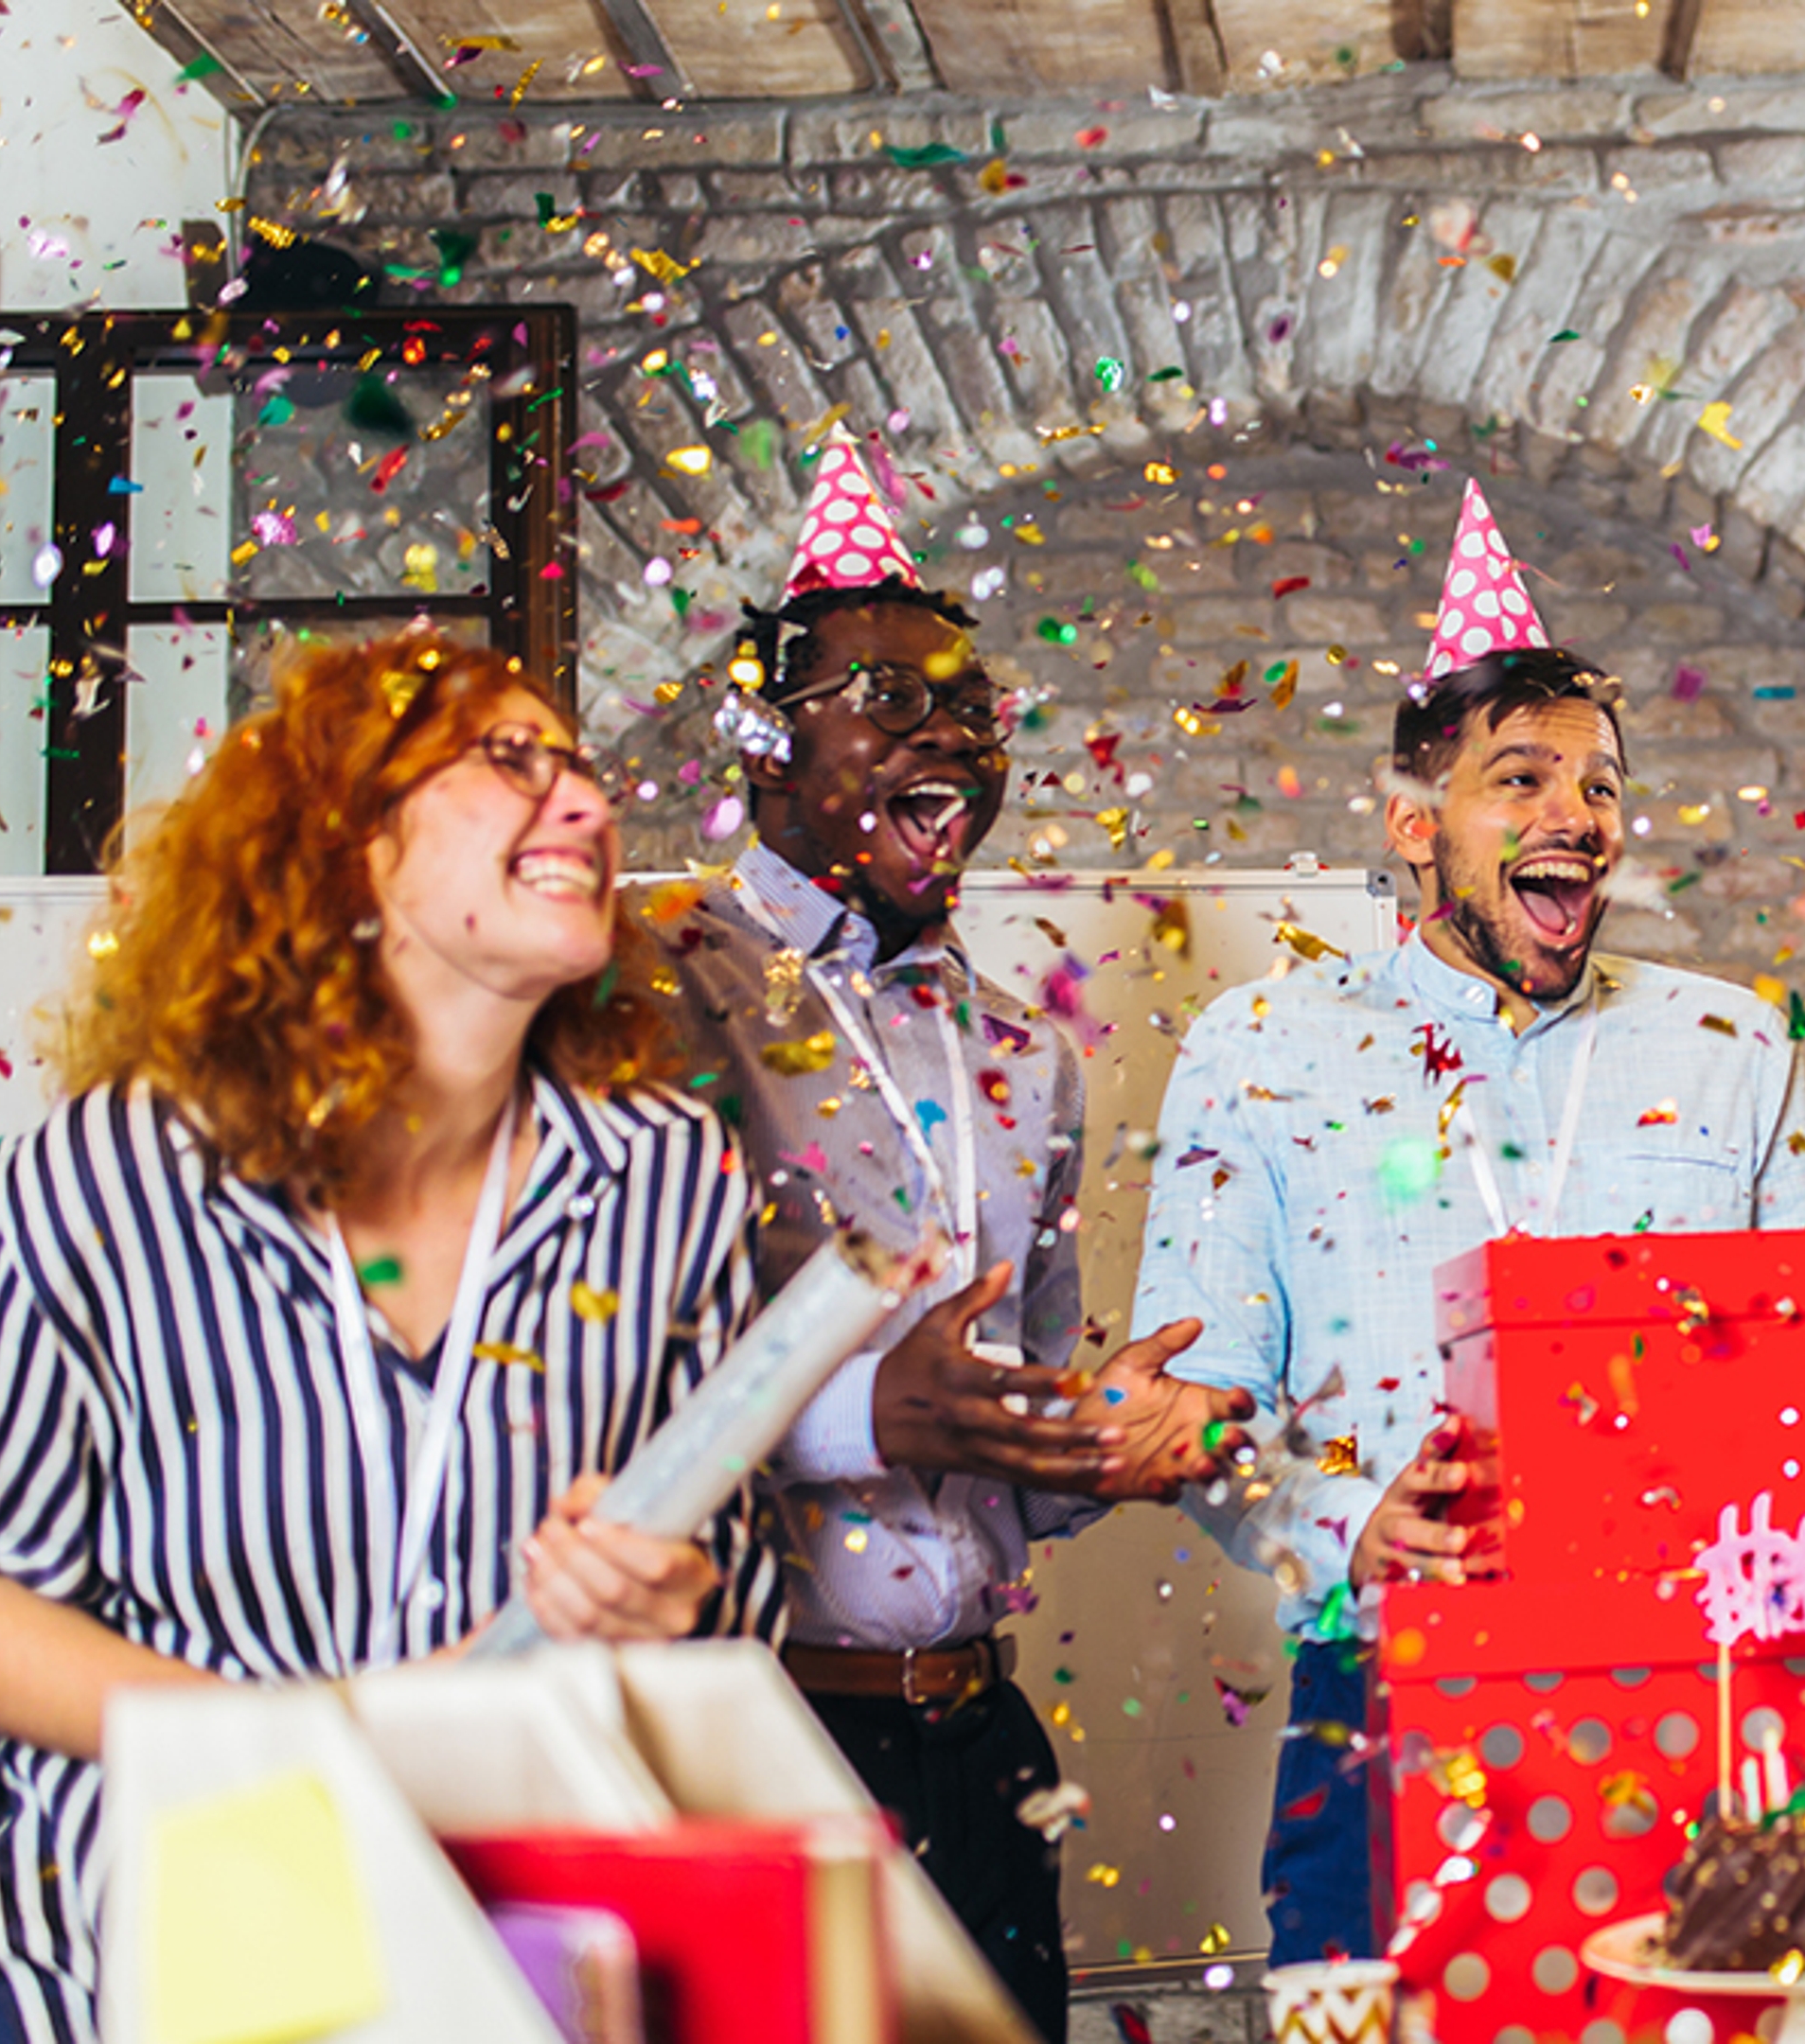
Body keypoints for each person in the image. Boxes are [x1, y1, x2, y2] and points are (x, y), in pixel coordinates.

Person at [0, 634, 775, 2044]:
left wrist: (668, 1604)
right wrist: (313, 1751)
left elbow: (745, 1603)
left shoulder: (669, 1174)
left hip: (519, 1966)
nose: (591, 806)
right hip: (167, 1966)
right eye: (510, 761)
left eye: (585, 772)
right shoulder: (109, 1175)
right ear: (347, 838)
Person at [1129, 485, 1805, 1965]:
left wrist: (1774, 1478)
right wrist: (1344, 1525)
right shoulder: (1256, 1046)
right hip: (1386, 1681)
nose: (1573, 819)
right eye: (1519, 781)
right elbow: (1196, 1413)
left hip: (1704, 1689)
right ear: (1414, 825)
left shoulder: (1736, 1043)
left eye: (1598, 785)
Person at [659, 449, 1238, 2043]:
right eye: (893, 704)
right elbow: (592, 1413)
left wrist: (1101, 1435)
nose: (954, 742)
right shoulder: (659, 995)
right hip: (757, 1741)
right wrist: (865, 1412)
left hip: (986, 1746)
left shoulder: (1016, 1049)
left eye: (972, 713)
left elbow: (1013, 1443)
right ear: (769, 751)